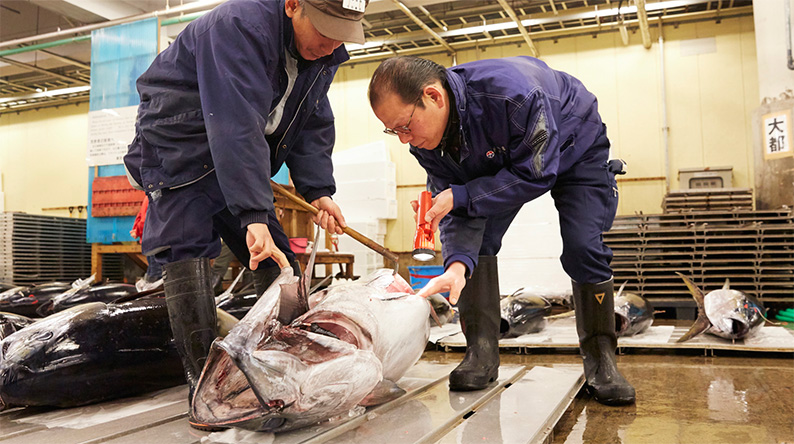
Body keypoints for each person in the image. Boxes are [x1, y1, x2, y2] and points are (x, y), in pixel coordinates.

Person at [123, 0, 365, 429]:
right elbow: (234, 122)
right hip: (180, 148)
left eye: (342, 33)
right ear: (293, 5)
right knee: (188, 249)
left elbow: (311, 121)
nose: (331, 44)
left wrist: (320, 191)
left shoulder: (322, 52)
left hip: (232, 155)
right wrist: (254, 213)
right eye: (326, 29)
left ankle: (283, 366)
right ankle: (208, 390)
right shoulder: (238, 27)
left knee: (280, 265)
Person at [368, 56, 635, 406]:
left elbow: (537, 174)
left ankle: (602, 361)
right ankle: (480, 353)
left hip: (575, 147)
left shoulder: (516, 96)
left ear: (433, 97)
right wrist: (456, 267)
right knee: (475, 246)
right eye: (393, 131)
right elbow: (455, 206)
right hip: (503, 156)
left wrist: (462, 194)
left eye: (404, 126)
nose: (404, 140)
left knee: (583, 247)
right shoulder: (426, 141)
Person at [129, 196, 164, 292]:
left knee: (153, 272)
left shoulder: (147, 197)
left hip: (149, 241)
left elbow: (140, 217)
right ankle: (153, 297)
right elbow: (145, 219)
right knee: (155, 274)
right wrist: (138, 230)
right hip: (154, 241)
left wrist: (137, 230)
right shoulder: (154, 196)